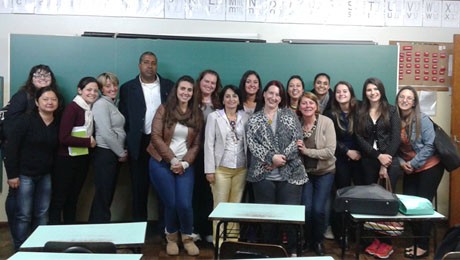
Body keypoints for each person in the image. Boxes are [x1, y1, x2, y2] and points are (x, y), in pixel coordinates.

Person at [246, 80, 308, 256]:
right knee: (267, 218)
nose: (273, 97)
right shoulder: (254, 119)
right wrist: (271, 158)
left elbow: (297, 141)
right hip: (263, 174)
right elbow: (252, 144)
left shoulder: (289, 115)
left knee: (289, 218)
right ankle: (271, 251)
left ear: (281, 98)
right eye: (270, 93)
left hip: (291, 174)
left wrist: (281, 158)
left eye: (277, 94)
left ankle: (293, 251)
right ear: (264, 94)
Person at [3, 64, 61, 249]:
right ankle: (21, 248)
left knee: (42, 213)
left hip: (45, 174)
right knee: (23, 214)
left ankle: (39, 246)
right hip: (24, 174)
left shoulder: (57, 122)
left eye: (53, 99)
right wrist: (12, 175)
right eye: (45, 99)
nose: (50, 102)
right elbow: (11, 147)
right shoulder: (25, 119)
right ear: (37, 102)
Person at [147, 75, 203, 256]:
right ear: (176, 90)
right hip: (161, 162)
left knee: (185, 204)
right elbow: (155, 137)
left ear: (193, 93)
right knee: (170, 202)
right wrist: (172, 160)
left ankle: (187, 237)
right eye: (182, 89)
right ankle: (171, 237)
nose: (185, 92)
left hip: (185, 165)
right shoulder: (164, 109)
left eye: (189, 89)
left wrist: (185, 163)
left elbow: (196, 144)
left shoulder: (197, 113)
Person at [118, 51, 174, 222]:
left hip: (162, 143)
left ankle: (166, 231)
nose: (150, 66)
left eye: (153, 63)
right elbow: (124, 118)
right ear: (139, 65)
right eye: (146, 62)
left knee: (164, 189)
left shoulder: (169, 86)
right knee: (138, 189)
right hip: (138, 143)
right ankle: (138, 233)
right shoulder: (127, 88)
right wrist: (126, 144)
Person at [355, 77, 401, 259]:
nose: (372, 92)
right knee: (370, 203)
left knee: (386, 203)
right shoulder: (361, 110)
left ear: (381, 90)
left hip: (390, 161)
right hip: (368, 162)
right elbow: (358, 137)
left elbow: (395, 137)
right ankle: (373, 240)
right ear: (364, 93)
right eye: (368, 90)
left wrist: (384, 161)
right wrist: (376, 156)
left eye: (375, 89)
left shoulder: (392, 110)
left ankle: (386, 243)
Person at [396, 86, 444, 259]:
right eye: (402, 97)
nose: (405, 100)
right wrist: (403, 164)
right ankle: (416, 241)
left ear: (414, 102)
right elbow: (394, 150)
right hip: (410, 167)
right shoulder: (394, 120)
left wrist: (413, 163)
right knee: (409, 204)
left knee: (423, 205)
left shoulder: (422, 119)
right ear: (397, 99)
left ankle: (423, 246)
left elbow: (430, 145)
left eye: (409, 98)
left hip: (430, 166)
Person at [49, 77, 99, 224]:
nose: (93, 93)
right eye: (89, 89)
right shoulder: (73, 108)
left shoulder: (89, 109)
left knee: (73, 198)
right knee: (59, 199)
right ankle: (54, 234)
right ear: (79, 90)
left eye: (96, 90)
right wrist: (88, 142)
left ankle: (69, 232)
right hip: (66, 160)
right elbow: (63, 137)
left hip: (81, 159)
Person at [204, 85, 248, 243]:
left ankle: (233, 242)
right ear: (222, 99)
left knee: (235, 207)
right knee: (220, 207)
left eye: (235, 96)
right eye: (227, 96)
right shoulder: (214, 117)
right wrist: (209, 170)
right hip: (220, 169)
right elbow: (208, 144)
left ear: (239, 99)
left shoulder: (245, 116)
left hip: (241, 169)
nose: (231, 99)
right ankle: (220, 243)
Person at [296, 92, 336, 256]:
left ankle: (318, 241)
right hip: (304, 174)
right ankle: (306, 240)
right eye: (304, 103)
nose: (307, 106)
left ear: (316, 106)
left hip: (325, 172)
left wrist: (306, 151)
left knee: (319, 209)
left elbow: (330, 151)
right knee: (306, 209)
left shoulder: (326, 122)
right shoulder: (296, 123)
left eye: (311, 103)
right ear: (299, 107)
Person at [89, 72, 128, 223]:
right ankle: (98, 230)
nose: (112, 88)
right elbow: (106, 132)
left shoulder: (111, 104)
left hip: (111, 154)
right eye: (107, 86)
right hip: (105, 154)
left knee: (106, 194)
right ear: (101, 89)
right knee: (103, 195)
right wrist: (121, 152)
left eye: (114, 84)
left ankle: (99, 227)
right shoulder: (101, 104)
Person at [193, 69, 222, 243]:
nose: (209, 85)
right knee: (195, 193)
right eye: (206, 81)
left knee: (210, 194)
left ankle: (208, 230)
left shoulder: (219, 103)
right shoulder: (192, 101)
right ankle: (195, 229)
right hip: (194, 154)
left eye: (213, 83)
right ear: (200, 81)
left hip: (213, 155)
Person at [326, 81, 363, 188]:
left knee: (361, 191)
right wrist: (347, 151)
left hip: (361, 157)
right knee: (342, 190)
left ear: (351, 93)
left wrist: (359, 152)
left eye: (345, 91)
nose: (341, 94)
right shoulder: (329, 113)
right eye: (338, 92)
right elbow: (328, 139)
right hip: (340, 157)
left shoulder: (361, 109)